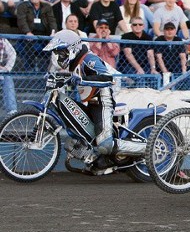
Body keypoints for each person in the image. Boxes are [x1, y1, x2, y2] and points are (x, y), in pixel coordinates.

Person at [44, 29, 146, 167]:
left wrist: (81, 80)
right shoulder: (74, 64)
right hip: (91, 102)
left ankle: (147, 148)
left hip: (103, 101)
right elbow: (73, 79)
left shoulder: (88, 59)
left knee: (105, 144)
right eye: (56, 53)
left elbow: (107, 79)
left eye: (61, 52)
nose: (58, 56)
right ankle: (96, 159)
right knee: (83, 136)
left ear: (72, 49)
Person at [0, 37, 17, 115]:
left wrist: (7, 68)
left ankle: (11, 110)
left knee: (7, 78)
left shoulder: (2, 40)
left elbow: (12, 54)